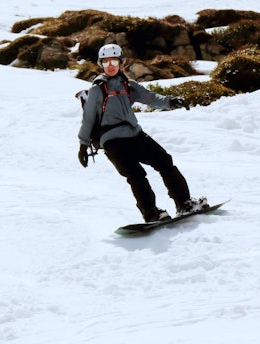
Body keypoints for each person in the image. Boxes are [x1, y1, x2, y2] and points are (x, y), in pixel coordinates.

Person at [77, 43, 207, 222]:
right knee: (136, 175)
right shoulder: (97, 89)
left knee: (165, 162)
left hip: (135, 135)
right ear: (101, 65)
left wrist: (171, 102)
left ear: (121, 62)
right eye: (106, 62)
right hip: (113, 142)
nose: (110, 66)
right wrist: (83, 144)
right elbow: (88, 118)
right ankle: (151, 213)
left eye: (114, 61)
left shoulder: (129, 85)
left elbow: (151, 98)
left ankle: (184, 203)